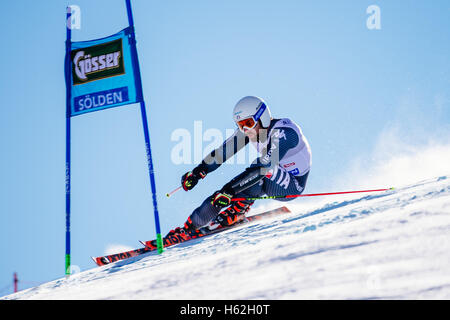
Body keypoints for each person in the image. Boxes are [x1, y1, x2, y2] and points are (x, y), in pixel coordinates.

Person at [150, 96, 312, 248]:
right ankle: (189, 228)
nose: (245, 129)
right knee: (224, 193)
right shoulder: (252, 131)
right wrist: (199, 171)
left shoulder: (284, 133)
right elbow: (222, 153)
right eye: (241, 125)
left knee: (258, 170)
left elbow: (265, 167)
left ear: (262, 116)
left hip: (292, 185)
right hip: (268, 177)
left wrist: (229, 190)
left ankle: (238, 207)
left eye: (248, 122)